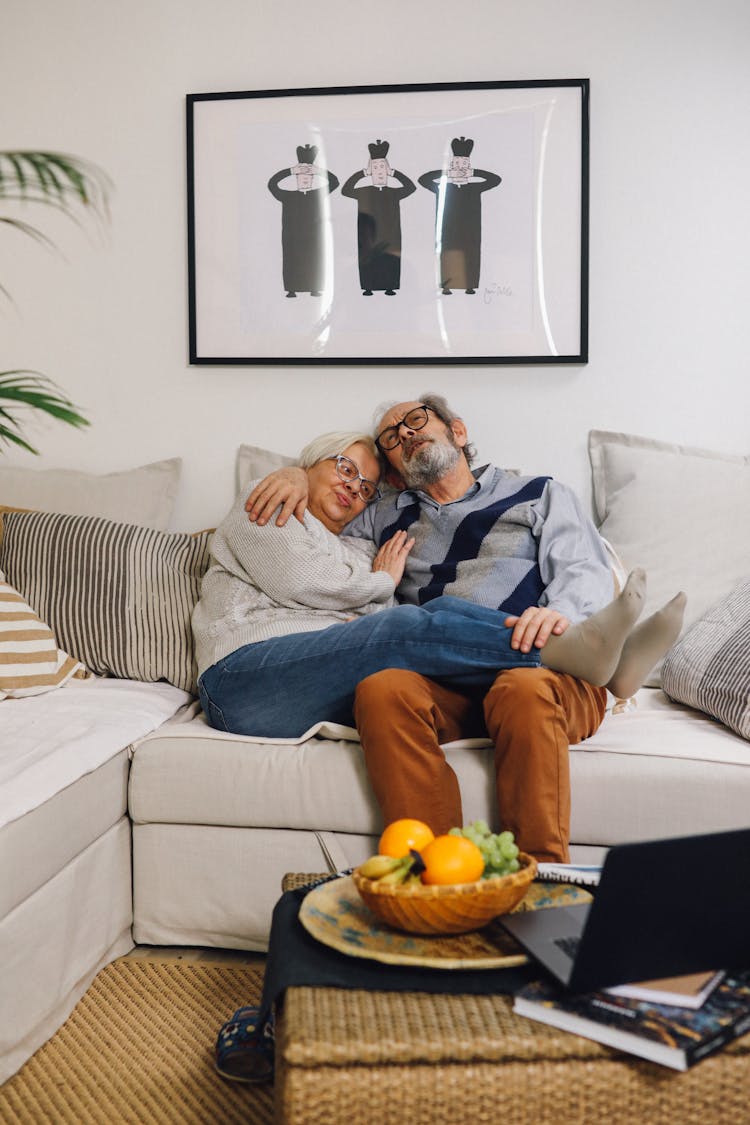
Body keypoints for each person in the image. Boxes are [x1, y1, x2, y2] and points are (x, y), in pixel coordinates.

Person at [244, 396, 686, 861]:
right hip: (444, 683)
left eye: (416, 420)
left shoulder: (539, 492)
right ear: (393, 470)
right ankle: (436, 877)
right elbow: (321, 526)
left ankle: (543, 881)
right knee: (381, 689)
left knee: (521, 688)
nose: (407, 434)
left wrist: (563, 616)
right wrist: (296, 472)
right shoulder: (382, 513)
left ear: (458, 431)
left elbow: (581, 568)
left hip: (541, 677)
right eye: (392, 438)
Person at [418, 137, 501, 294]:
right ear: (451, 167)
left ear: (469, 168)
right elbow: (423, 180)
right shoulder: (442, 187)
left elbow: (495, 180)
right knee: (447, 254)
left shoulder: (475, 188)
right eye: (456, 165)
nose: (460, 169)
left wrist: (474, 173)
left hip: (471, 231)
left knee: (470, 254)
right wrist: (446, 174)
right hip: (447, 231)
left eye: (464, 165)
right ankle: (446, 285)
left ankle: (469, 286)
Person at [340, 139, 416, 296]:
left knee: (390, 262)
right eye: (375, 167)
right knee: (369, 261)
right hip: (369, 238)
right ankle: (368, 287)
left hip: (391, 236)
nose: (379, 170)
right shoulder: (364, 191)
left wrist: (394, 173)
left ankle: (390, 287)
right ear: (370, 170)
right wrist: (363, 173)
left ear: (387, 169)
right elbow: (346, 190)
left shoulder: (394, 192)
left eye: (382, 166)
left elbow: (410, 187)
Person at [267, 144, 339, 297]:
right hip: (292, 237)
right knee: (292, 260)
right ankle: (292, 289)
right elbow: (272, 184)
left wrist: (319, 171)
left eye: (308, 176)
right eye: (301, 176)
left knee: (314, 259)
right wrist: (291, 171)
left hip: (313, 237)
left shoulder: (317, 195)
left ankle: (315, 288)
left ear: (312, 178)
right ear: (297, 178)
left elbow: (334, 182)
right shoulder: (288, 196)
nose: (305, 179)